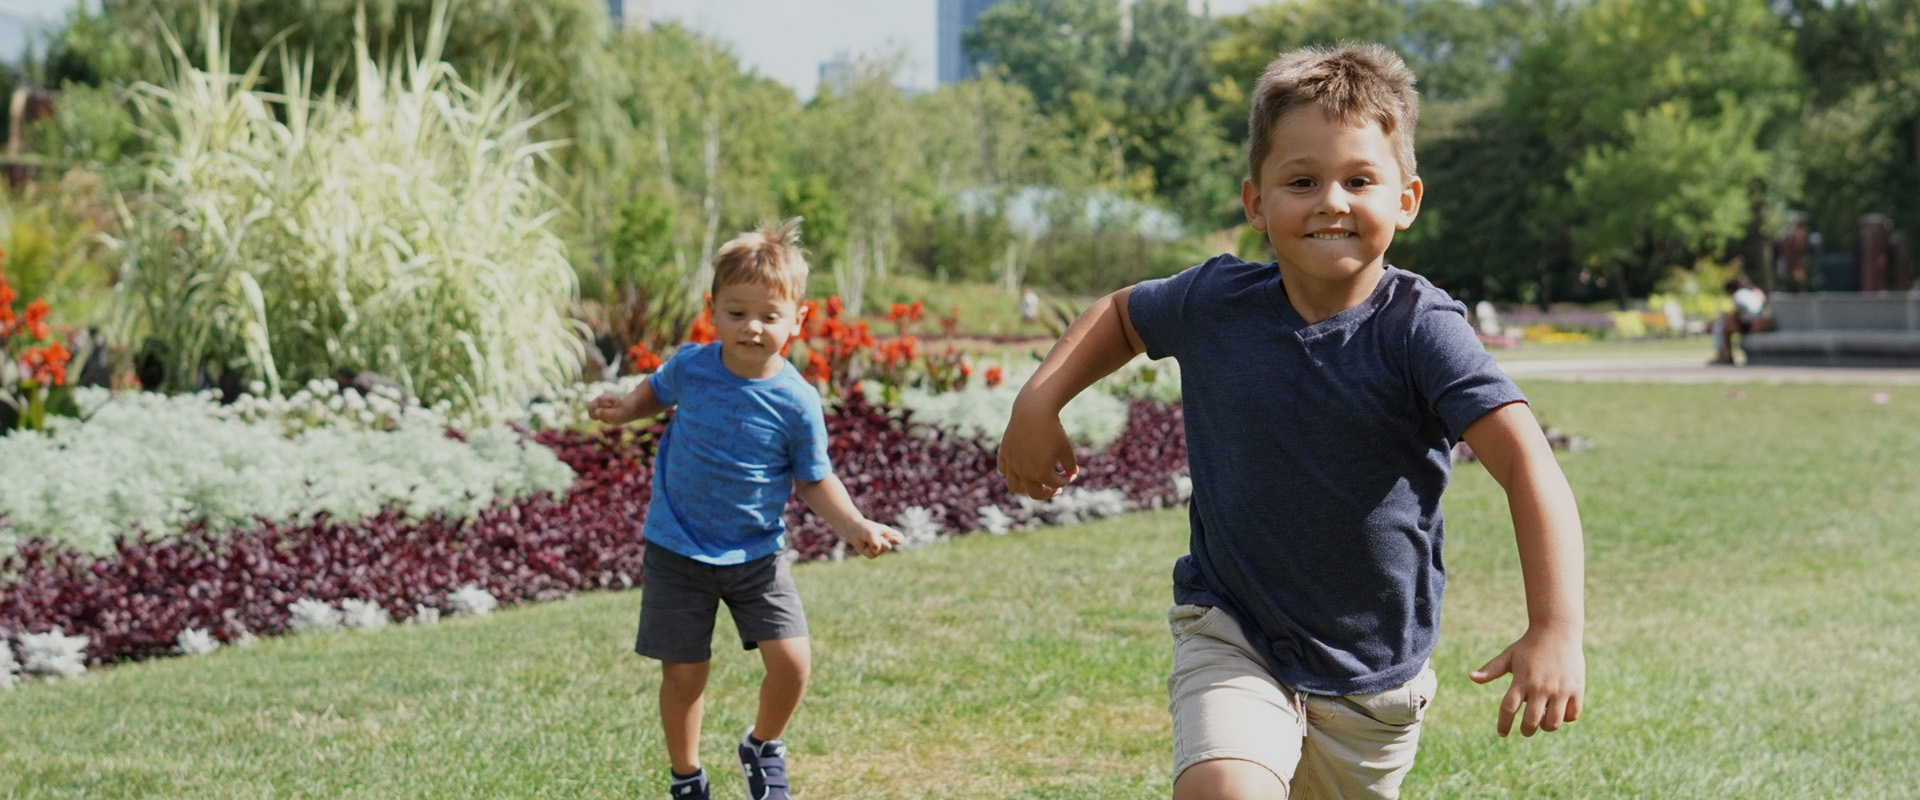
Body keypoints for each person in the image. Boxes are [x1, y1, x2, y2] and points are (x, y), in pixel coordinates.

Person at [998, 44, 1585, 800]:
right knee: (1224, 789)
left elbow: (1528, 465)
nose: (1331, 201)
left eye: (1359, 180)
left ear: (1406, 200)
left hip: (1374, 679)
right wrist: (1037, 401)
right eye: (1301, 181)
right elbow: (1123, 314)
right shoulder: (1216, 303)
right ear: (1255, 202)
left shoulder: (1421, 330)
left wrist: (1556, 629)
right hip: (1233, 631)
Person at [590, 218, 904, 800]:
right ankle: (686, 778)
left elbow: (815, 479)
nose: (752, 327)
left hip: (756, 554)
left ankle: (762, 746)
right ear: (713, 309)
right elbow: (655, 392)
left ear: (798, 320)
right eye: (736, 313)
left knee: (792, 661)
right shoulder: (693, 366)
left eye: (768, 315)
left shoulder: (796, 401)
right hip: (677, 547)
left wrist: (855, 525)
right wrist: (621, 410)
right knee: (685, 674)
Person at [1709, 274, 1770, 365]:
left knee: (1725, 329)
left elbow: (1738, 314)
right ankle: (1725, 355)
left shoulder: (1738, 295)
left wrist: (1726, 318)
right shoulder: (1752, 292)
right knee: (1727, 323)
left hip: (1753, 324)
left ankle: (1727, 355)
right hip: (1764, 322)